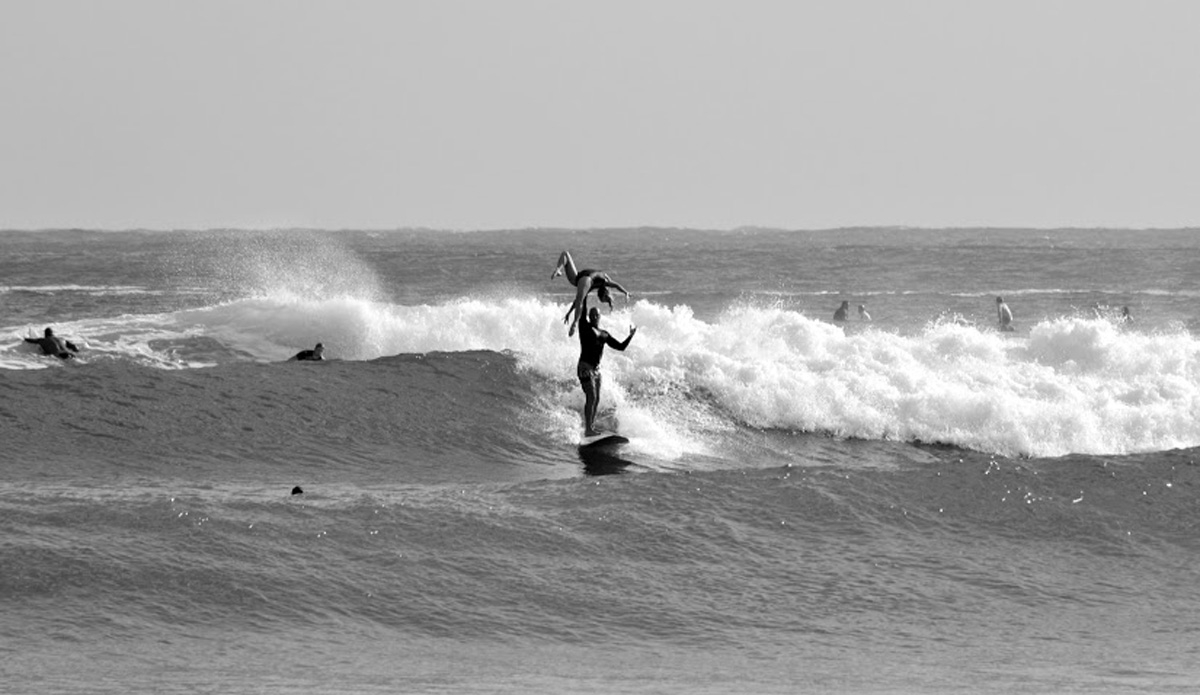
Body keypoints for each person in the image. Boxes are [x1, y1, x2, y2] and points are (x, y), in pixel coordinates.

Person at [577, 303, 636, 436]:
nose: (594, 316)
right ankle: (588, 429)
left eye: (596, 314)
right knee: (591, 397)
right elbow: (583, 309)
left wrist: (630, 336)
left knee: (596, 399)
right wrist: (585, 288)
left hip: (596, 371)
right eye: (591, 315)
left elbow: (620, 347)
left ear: (599, 316)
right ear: (589, 317)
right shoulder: (585, 327)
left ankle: (590, 427)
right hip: (585, 367)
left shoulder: (604, 335)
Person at [552, 250, 631, 336]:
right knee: (580, 302)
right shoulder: (603, 281)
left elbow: (576, 301)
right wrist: (625, 292)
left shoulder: (599, 278)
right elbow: (615, 285)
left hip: (577, 277)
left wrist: (569, 312)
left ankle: (558, 269)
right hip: (585, 280)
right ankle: (574, 324)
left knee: (565, 254)